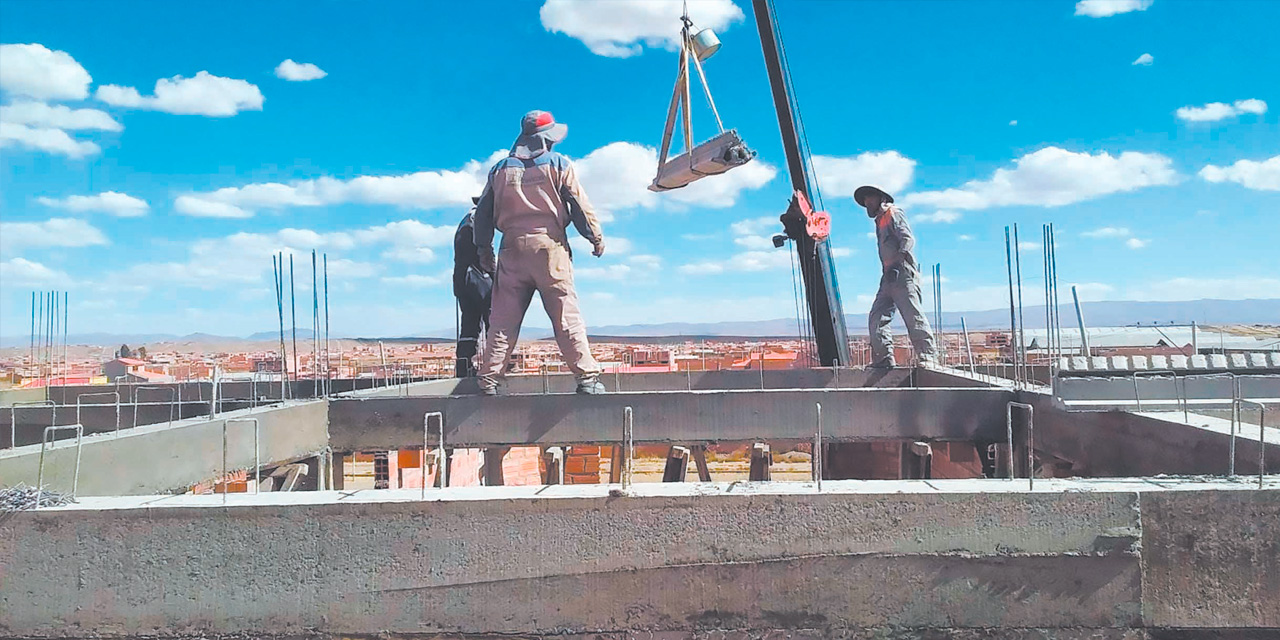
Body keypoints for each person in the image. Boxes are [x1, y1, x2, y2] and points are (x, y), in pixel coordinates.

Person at [473, 110, 607, 395]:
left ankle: (488, 381)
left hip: (511, 249)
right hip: (550, 248)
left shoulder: (499, 169)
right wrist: (594, 237)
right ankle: (587, 379)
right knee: (565, 315)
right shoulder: (559, 164)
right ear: (549, 139)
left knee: (502, 322)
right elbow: (579, 206)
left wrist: (484, 250)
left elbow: (483, 213)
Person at [855, 185, 937, 368]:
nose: (867, 202)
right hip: (888, 276)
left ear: (880, 198)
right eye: (865, 200)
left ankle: (928, 356)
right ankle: (884, 358)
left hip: (902, 273)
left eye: (870, 198)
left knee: (912, 314)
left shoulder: (893, 213)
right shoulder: (879, 221)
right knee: (877, 316)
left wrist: (899, 263)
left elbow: (907, 239)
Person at [452, 197, 492, 378]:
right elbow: (485, 251)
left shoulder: (465, 221)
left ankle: (464, 364)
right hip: (477, 276)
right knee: (494, 317)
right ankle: (496, 363)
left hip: (462, 278)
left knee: (469, 323)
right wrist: (496, 275)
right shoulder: (478, 219)